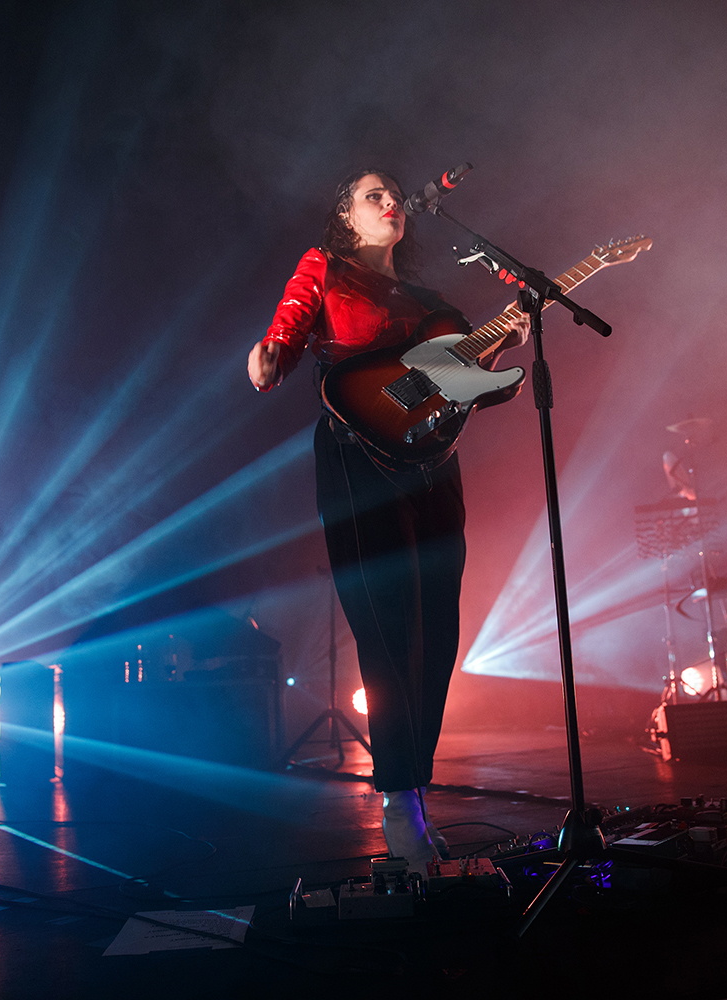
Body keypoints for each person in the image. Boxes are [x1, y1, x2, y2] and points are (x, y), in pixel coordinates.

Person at [247, 169, 527, 872]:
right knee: (388, 628)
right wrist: (273, 353)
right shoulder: (326, 268)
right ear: (345, 214)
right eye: (373, 194)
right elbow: (286, 328)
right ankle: (400, 798)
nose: (390, 201)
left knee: (438, 633)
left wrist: (501, 347)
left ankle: (415, 785)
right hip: (357, 460)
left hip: (435, 466)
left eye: (393, 193)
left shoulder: (431, 301)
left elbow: (457, 387)